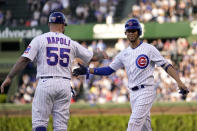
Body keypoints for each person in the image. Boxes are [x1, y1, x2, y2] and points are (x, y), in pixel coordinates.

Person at [72, 18, 189, 131]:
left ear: (139, 32)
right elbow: (109, 70)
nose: (131, 33)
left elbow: (166, 65)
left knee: (133, 124)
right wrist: (88, 70)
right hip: (133, 94)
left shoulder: (149, 49)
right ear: (126, 33)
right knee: (145, 128)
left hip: (146, 90)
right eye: (128, 31)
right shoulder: (124, 53)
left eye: (134, 30)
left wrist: (179, 81)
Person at [0, 12, 108, 131]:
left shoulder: (40, 39)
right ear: (62, 25)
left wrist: (9, 77)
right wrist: (101, 54)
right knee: (61, 126)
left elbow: (24, 59)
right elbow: (93, 57)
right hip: (64, 84)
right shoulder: (70, 42)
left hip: (46, 82)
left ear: (49, 24)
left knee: (40, 122)